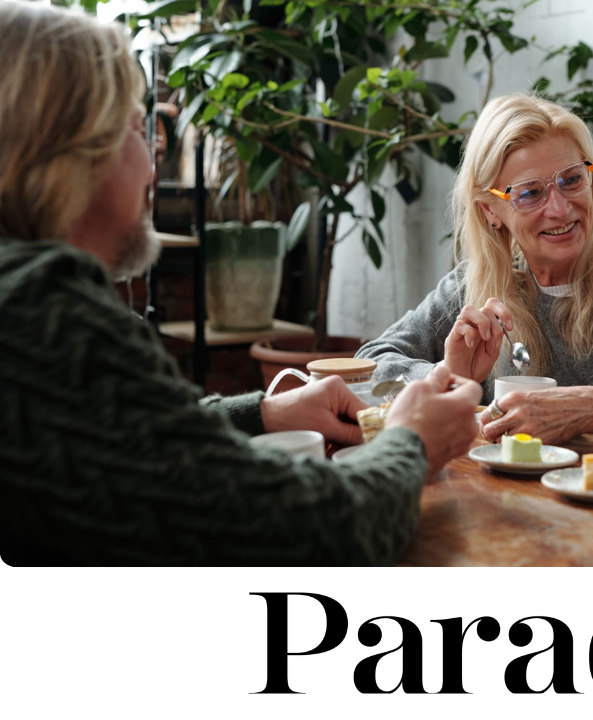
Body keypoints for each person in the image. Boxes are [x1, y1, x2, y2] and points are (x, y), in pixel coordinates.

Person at [0, 1, 482, 566]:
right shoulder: (45, 310)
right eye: (138, 128)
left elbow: (130, 441)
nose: (155, 156)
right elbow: (309, 531)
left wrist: (266, 414)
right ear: (70, 153)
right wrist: (411, 445)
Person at [356, 94, 593, 444]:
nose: (560, 209)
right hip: (501, 500)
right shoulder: (471, 288)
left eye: (571, 180)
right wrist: (446, 378)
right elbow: (367, 367)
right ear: (490, 210)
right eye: (530, 193)